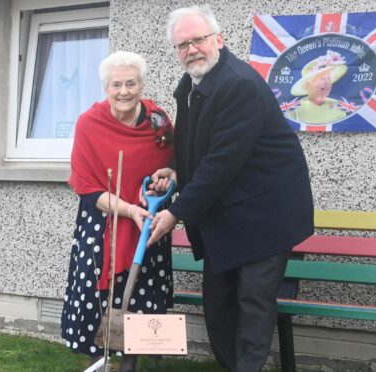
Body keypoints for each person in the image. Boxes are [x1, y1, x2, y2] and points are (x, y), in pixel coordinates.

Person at [146, 5, 314, 372]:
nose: (191, 50)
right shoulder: (191, 85)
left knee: (252, 305)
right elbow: (196, 145)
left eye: (198, 40)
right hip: (227, 214)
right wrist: (176, 171)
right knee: (218, 305)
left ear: (218, 40)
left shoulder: (238, 84)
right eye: (182, 45)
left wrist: (174, 213)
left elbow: (221, 161)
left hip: (267, 215)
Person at [61, 51, 175, 372]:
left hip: (147, 224)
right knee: (97, 293)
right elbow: (85, 185)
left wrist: (162, 186)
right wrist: (127, 209)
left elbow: (174, 166)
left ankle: (129, 364)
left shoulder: (159, 123)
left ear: (141, 85)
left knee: (141, 293)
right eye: (116, 85)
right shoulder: (88, 124)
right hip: (102, 222)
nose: (124, 91)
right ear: (105, 87)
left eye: (131, 83)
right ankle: (99, 359)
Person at [286, 50, 348, 124]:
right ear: (308, 85)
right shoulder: (295, 109)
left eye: (329, 78)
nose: (327, 83)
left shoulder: (340, 106)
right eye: (322, 79)